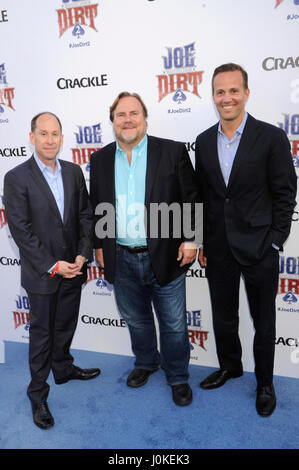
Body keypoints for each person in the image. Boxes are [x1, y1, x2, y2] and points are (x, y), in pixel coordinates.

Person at [195, 63, 297, 416]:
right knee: (224, 316)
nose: (227, 97)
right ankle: (230, 365)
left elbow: (285, 194)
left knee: (263, 321)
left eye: (234, 90)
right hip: (219, 248)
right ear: (213, 97)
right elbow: (206, 197)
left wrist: (275, 240)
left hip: (259, 248)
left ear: (246, 93)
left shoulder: (270, 137)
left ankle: (265, 382)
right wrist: (204, 241)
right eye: (220, 91)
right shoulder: (204, 141)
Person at [90, 92, 200, 406]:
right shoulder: (99, 159)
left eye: (133, 113)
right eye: (120, 114)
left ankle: (178, 375)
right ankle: (146, 362)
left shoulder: (172, 151)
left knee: (175, 324)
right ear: (112, 121)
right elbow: (97, 205)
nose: (127, 119)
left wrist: (191, 239)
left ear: (145, 117)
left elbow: (191, 198)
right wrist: (100, 245)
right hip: (120, 257)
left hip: (166, 255)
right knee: (136, 320)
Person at [4, 112, 100, 430]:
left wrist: (82, 254)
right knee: (42, 335)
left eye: (55, 133)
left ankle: (64, 368)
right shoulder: (16, 177)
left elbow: (86, 216)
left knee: (65, 325)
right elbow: (20, 230)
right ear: (32, 137)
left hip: (73, 268)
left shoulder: (73, 172)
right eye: (43, 134)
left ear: (61, 137)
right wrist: (52, 265)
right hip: (43, 272)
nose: (49, 140)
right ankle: (38, 394)